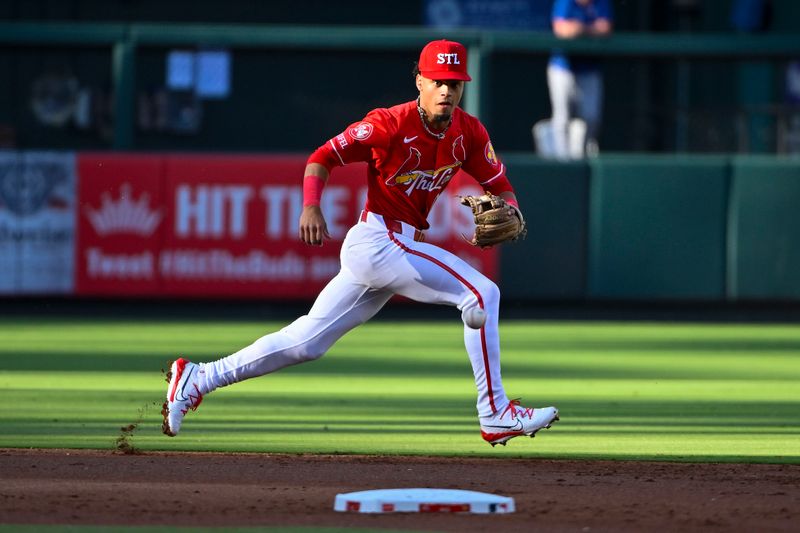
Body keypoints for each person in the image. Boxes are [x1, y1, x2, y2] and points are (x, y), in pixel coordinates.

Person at [162, 39, 559, 447]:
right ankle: (494, 412)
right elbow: (323, 156)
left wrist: (511, 210)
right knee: (482, 294)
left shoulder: (469, 132)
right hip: (377, 239)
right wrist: (311, 206)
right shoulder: (387, 124)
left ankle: (198, 377)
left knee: (305, 343)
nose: (446, 91)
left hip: (392, 247)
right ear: (419, 81)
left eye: (454, 83)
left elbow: (501, 187)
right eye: (438, 81)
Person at [547, 0, 613, 159]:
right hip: (563, 67)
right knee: (562, 117)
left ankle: (581, 157)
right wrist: (590, 29)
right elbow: (561, 30)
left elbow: (605, 28)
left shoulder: (601, 3)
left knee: (590, 118)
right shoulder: (565, 2)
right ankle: (561, 161)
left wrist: (580, 28)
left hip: (589, 68)